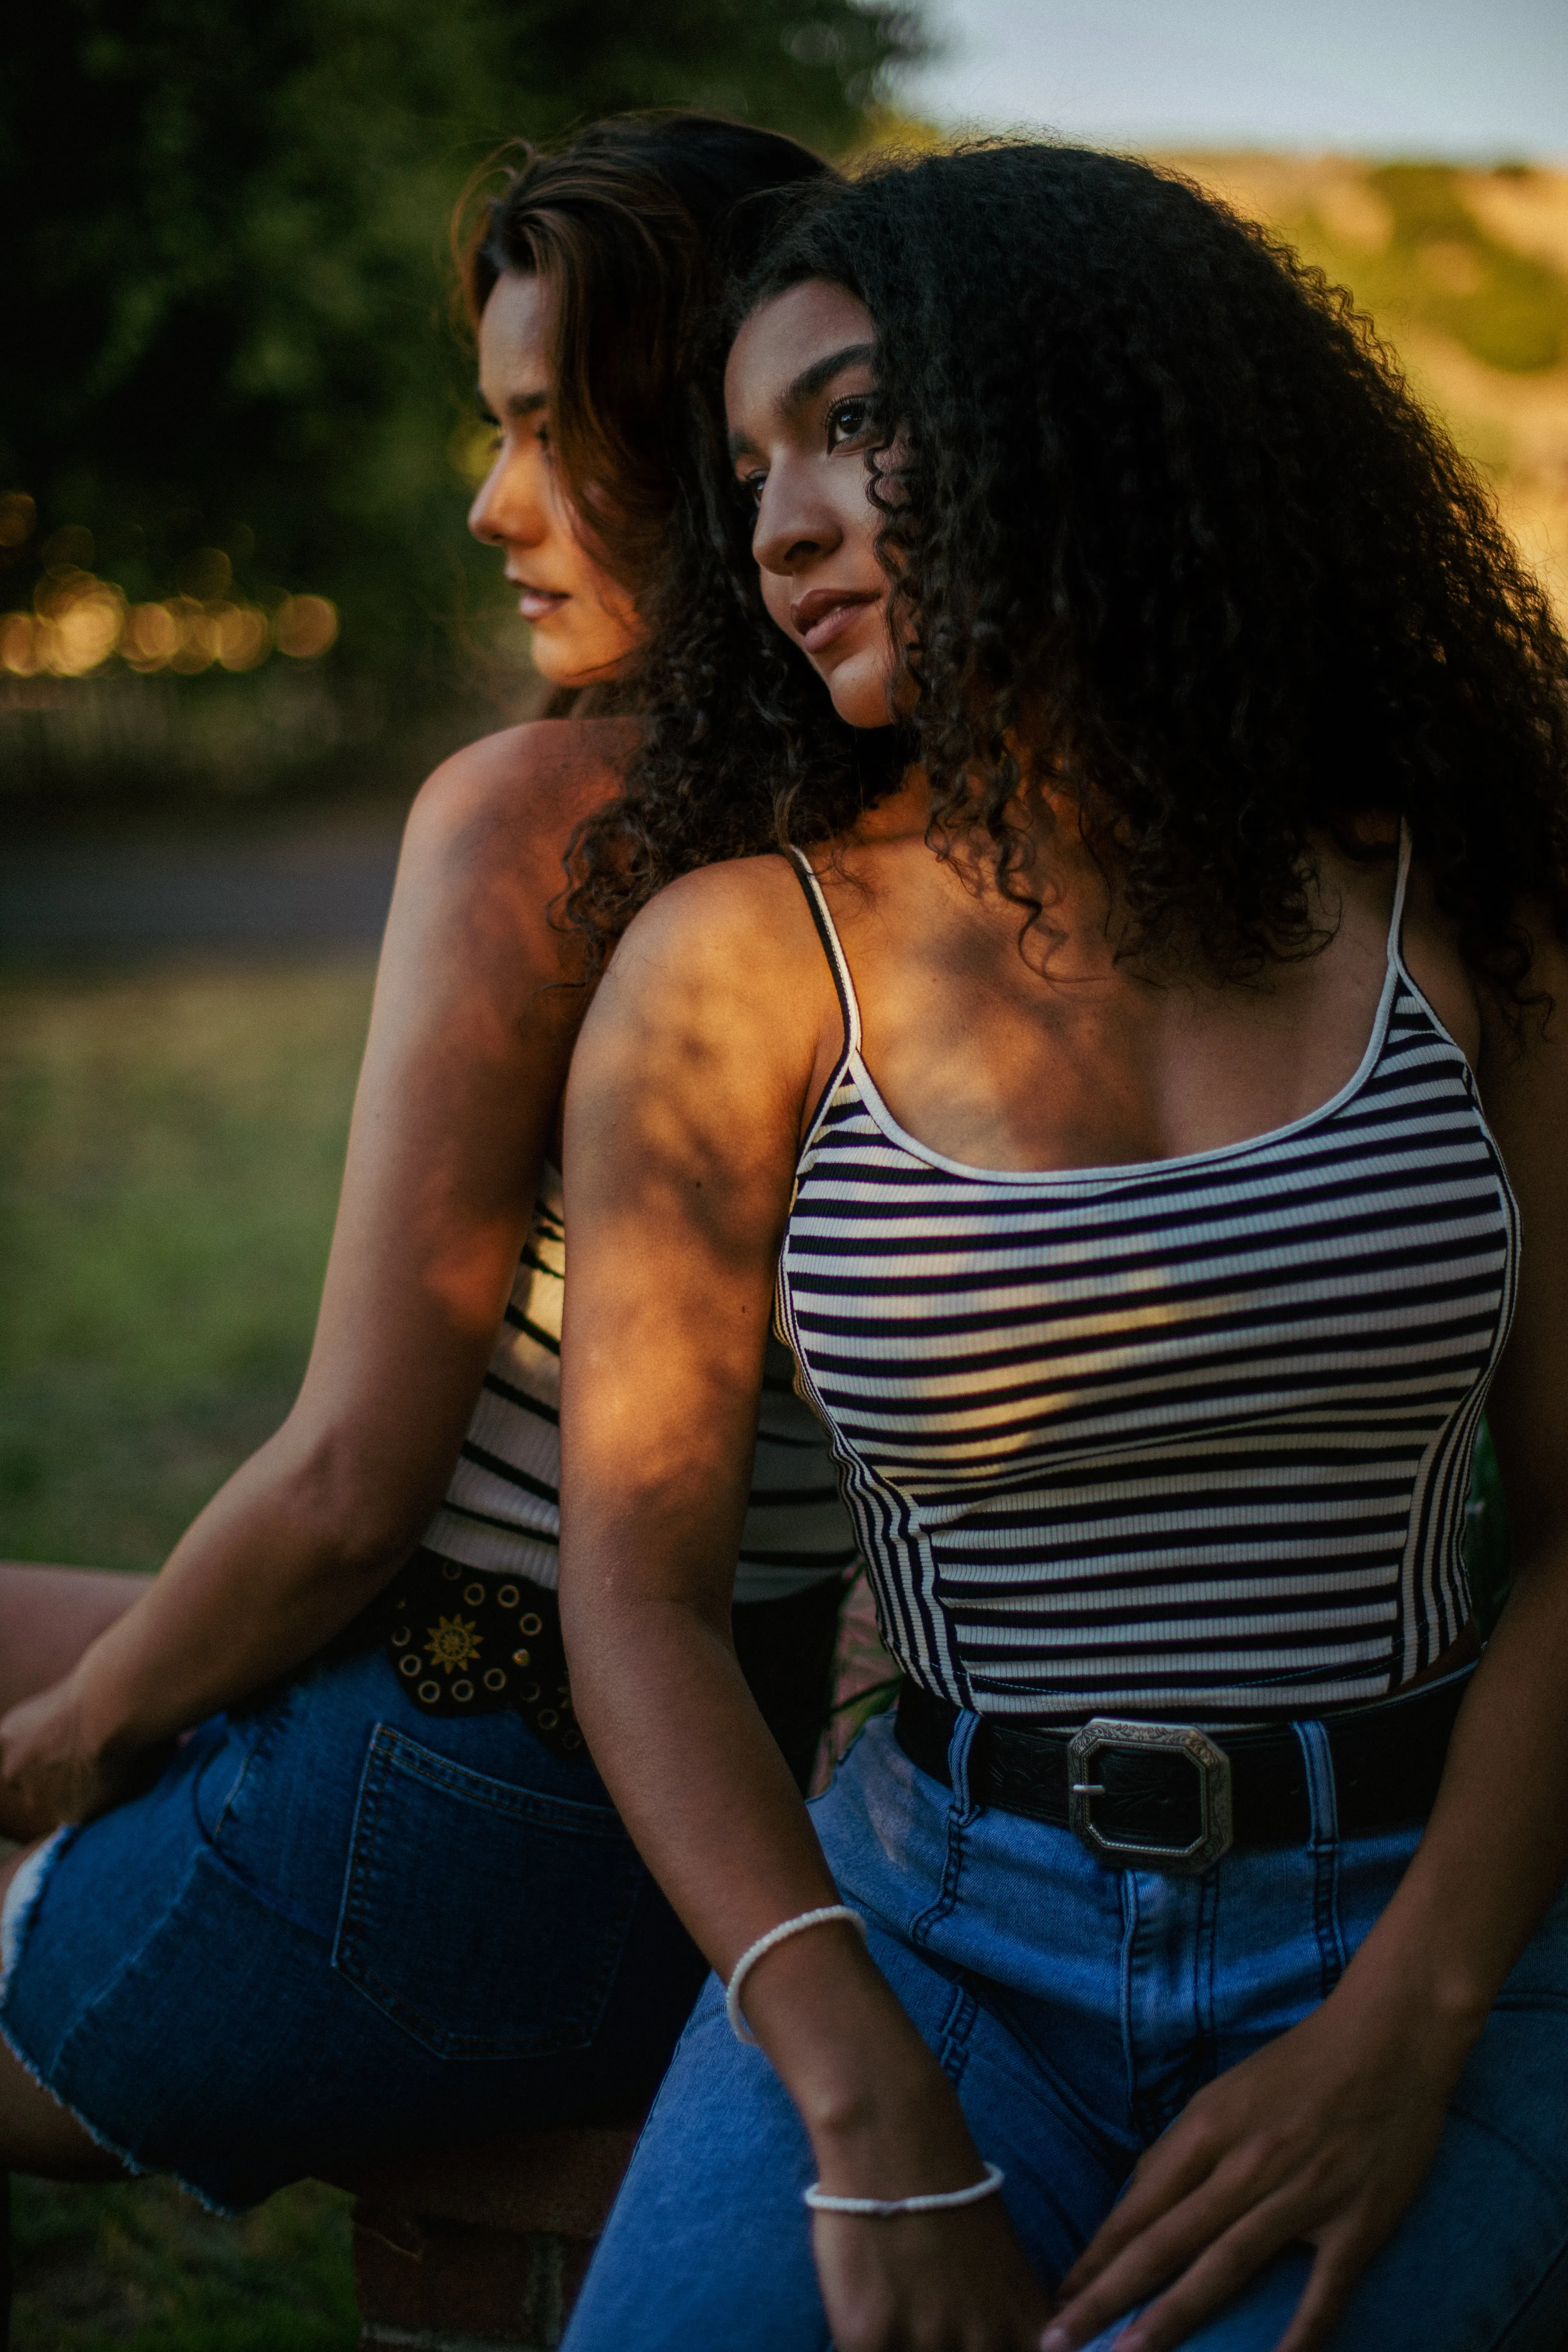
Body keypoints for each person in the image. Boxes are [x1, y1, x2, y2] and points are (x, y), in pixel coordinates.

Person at [550, 144, 1568, 2352]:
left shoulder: (1471, 917)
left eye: (856, 421)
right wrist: (858, 2072)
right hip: (929, 1921)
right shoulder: (744, 970)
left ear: (1104, 416)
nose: (780, 526)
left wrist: (1419, 2019)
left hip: (1431, 1915)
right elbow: (631, 1584)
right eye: (748, 468)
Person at [0, 114, 858, 2214]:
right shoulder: (941, 799)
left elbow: (347, 1493)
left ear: (697, 436)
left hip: (467, 1824)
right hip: (746, 1799)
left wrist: (79, 1750)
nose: (491, 505)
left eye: (544, 431)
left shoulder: (537, 816)